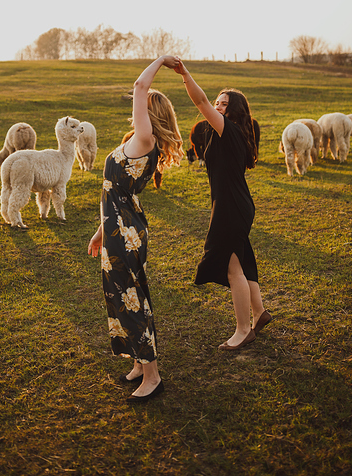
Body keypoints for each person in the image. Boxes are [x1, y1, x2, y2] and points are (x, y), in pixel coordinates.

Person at [88, 56, 183, 402]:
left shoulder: (145, 139)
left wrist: (160, 61)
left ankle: (152, 375)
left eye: (139, 104)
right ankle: (140, 364)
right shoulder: (139, 140)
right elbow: (115, 192)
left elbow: (140, 86)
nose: (134, 106)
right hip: (119, 227)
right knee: (120, 298)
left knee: (131, 301)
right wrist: (101, 230)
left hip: (125, 233)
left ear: (149, 110)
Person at [174, 59, 272, 350]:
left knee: (233, 269)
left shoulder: (228, 129)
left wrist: (185, 75)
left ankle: (243, 330)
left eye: (223, 103)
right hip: (235, 204)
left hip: (230, 207)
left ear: (234, 110)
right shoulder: (230, 132)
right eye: (217, 101)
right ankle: (260, 313)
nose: (216, 106)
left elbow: (200, 100)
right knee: (243, 262)